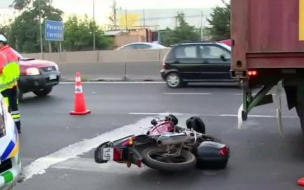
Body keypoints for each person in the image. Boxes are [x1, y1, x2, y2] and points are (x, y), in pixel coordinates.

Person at [0, 34, 21, 133]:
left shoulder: (1, 54)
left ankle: (6, 131)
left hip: (3, 87)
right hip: (13, 84)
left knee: (4, 110)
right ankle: (17, 127)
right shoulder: (12, 52)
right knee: (14, 109)